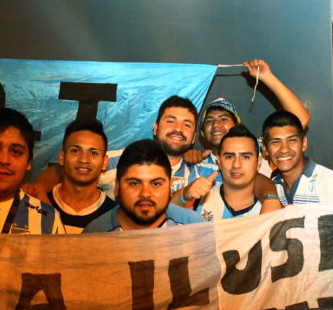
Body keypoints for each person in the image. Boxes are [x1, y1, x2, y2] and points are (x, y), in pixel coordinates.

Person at [31, 95, 216, 200]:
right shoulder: (119, 161)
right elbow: (64, 169)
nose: (178, 129)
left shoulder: (205, 172)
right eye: (170, 121)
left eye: (187, 124)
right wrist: (39, 190)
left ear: (193, 137)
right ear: (155, 128)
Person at [192, 59, 311, 178]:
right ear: (202, 132)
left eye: (223, 119)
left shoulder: (261, 149)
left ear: (236, 126)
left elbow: (301, 119)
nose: (216, 124)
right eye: (209, 120)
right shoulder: (198, 164)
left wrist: (267, 77)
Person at [83, 139, 205, 232]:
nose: (145, 193)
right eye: (134, 183)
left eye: (156, 183)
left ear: (169, 186)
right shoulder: (94, 234)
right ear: (117, 187)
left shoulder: (196, 228)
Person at [262, 110, 333, 205]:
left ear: (304, 143)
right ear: (265, 148)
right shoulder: (271, 188)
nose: (284, 149)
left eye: (292, 140)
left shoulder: (330, 182)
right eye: (275, 142)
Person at [193, 125, 281, 222]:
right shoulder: (199, 197)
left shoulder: (270, 210)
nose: (236, 165)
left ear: (258, 163)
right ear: (219, 162)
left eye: (245, 157)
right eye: (229, 157)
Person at [46, 119, 116, 233]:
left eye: (93, 153)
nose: (84, 159)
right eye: (75, 151)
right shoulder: (38, 203)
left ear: (104, 162)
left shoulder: (114, 216)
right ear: (62, 157)